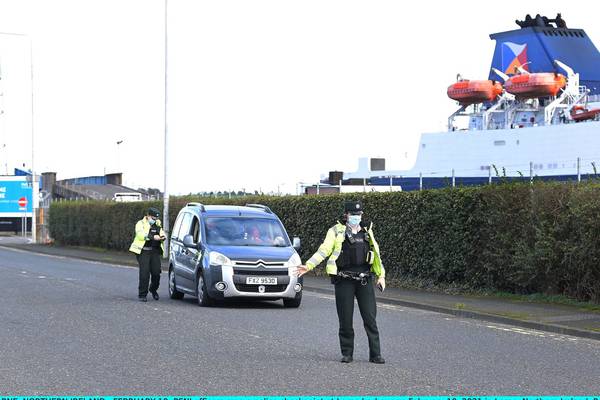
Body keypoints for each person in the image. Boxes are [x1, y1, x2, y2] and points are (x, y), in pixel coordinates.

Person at [296, 200, 386, 364]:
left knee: (370, 318)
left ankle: (375, 354)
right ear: (346, 215)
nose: (356, 217)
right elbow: (324, 250)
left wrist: (381, 276)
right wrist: (308, 265)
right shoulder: (336, 231)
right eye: (353, 214)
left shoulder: (367, 231)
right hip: (344, 280)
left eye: (358, 215)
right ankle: (347, 353)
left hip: (364, 280)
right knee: (345, 319)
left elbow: (376, 255)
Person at [129, 207, 166, 302]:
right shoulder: (140, 224)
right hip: (143, 251)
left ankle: (153, 289)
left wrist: (162, 236)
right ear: (148, 216)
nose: (155, 220)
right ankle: (142, 294)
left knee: (156, 273)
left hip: (154, 251)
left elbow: (161, 232)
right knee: (144, 273)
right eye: (153, 218)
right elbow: (140, 235)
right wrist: (153, 237)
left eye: (156, 219)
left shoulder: (158, 223)